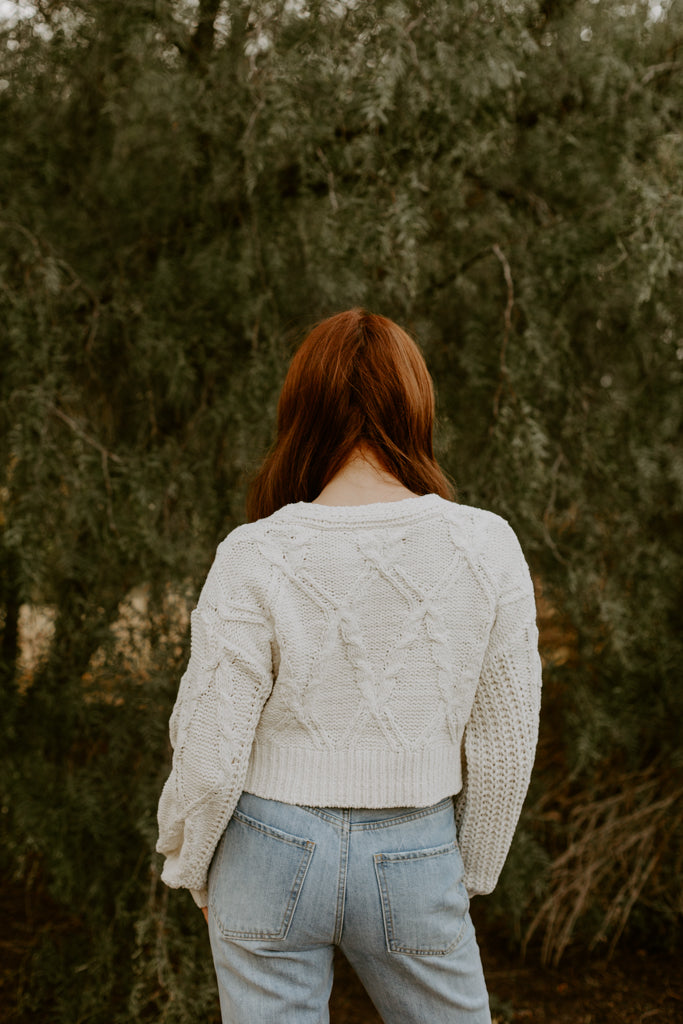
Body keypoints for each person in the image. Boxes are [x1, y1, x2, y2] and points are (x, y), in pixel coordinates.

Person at [156, 309, 542, 1024]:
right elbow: (505, 746)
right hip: (416, 846)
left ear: (301, 411)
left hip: (265, 847)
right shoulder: (486, 545)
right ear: (415, 406)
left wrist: (192, 864)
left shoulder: (254, 551)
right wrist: (464, 875)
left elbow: (209, 748)